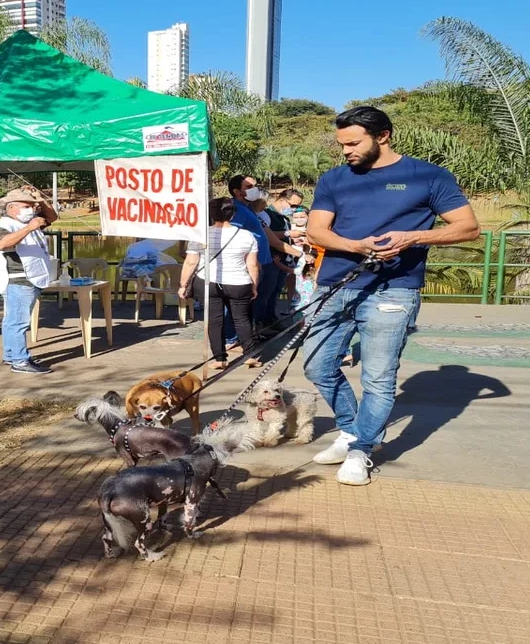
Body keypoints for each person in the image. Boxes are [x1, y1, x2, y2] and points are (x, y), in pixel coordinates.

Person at [303, 106, 480, 486]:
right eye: (342, 144)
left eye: (353, 143)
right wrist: (355, 245)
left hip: (394, 289)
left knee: (379, 379)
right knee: (317, 366)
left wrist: (412, 237)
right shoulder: (334, 179)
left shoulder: (428, 176)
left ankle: (361, 449)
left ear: (383, 136)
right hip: (336, 284)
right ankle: (350, 430)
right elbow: (317, 232)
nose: (346, 151)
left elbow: (468, 228)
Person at [178, 198, 260, 371]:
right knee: (242, 319)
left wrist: (183, 285)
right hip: (239, 282)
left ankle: (220, 359)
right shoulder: (247, 236)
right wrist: (254, 285)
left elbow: (191, 263)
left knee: (214, 320)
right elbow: (252, 265)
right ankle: (250, 355)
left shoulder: (200, 236)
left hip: (209, 281)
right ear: (233, 214)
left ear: (211, 214)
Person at [0, 187, 58, 374]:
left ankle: (12, 354)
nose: (32, 209)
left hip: (31, 278)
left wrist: (40, 198)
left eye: (32, 206)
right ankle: (20, 361)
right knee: (18, 321)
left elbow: (52, 217)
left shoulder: (28, 222)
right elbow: (2, 243)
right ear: (11, 208)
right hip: (18, 280)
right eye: (26, 206)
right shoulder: (5, 225)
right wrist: (29, 227)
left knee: (12, 320)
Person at [227, 175, 301, 332]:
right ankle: (234, 337)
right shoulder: (235, 210)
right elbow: (232, 236)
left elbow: (271, 237)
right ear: (237, 191)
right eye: (249, 187)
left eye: (255, 186)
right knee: (246, 302)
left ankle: (255, 329)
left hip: (263, 262)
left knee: (262, 298)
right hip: (250, 264)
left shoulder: (249, 211)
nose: (255, 190)